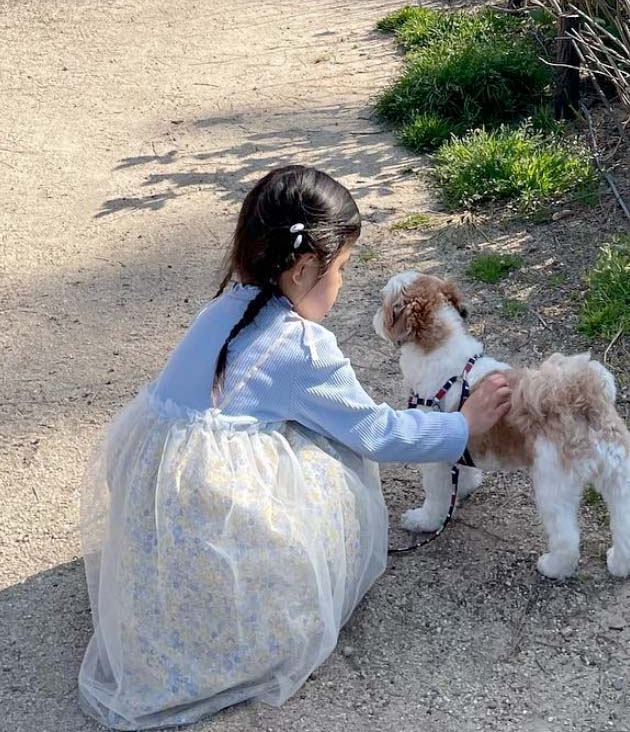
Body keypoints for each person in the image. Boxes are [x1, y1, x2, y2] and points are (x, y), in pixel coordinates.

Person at [78, 165, 511, 730]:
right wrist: (463, 425)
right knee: (328, 458)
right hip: (209, 522)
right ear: (305, 266)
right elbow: (375, 432)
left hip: (157, 509)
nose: (340, 286)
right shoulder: (300, 348)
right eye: (341, 270)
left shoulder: (226, 306)